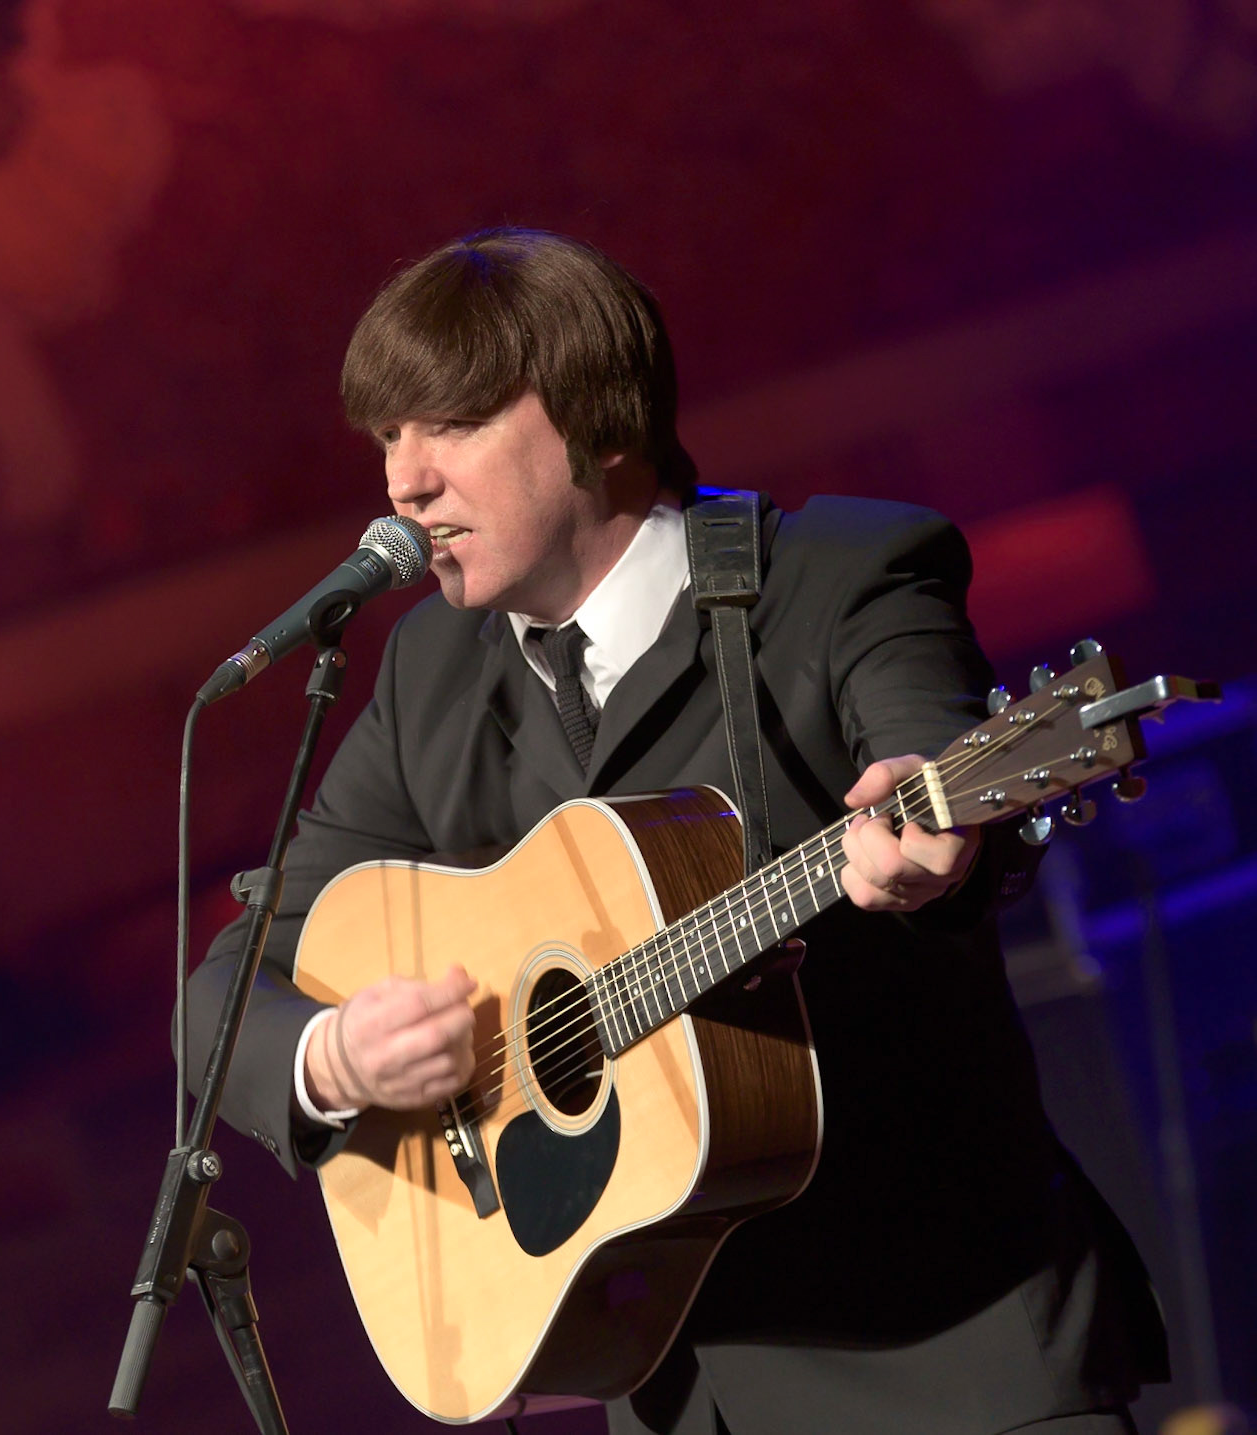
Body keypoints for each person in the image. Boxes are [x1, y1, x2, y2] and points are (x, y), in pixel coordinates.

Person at [184, 228, 1168, 1434]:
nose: (405, 481)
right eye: (389, 436)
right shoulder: (432, 675)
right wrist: (334, 1058)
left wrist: (926, 822)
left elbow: (924, 747)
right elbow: (226, 993)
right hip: (669, 1388)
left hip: (945, 1363)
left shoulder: (841, 574)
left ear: (604, 424)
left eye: (454, 423)